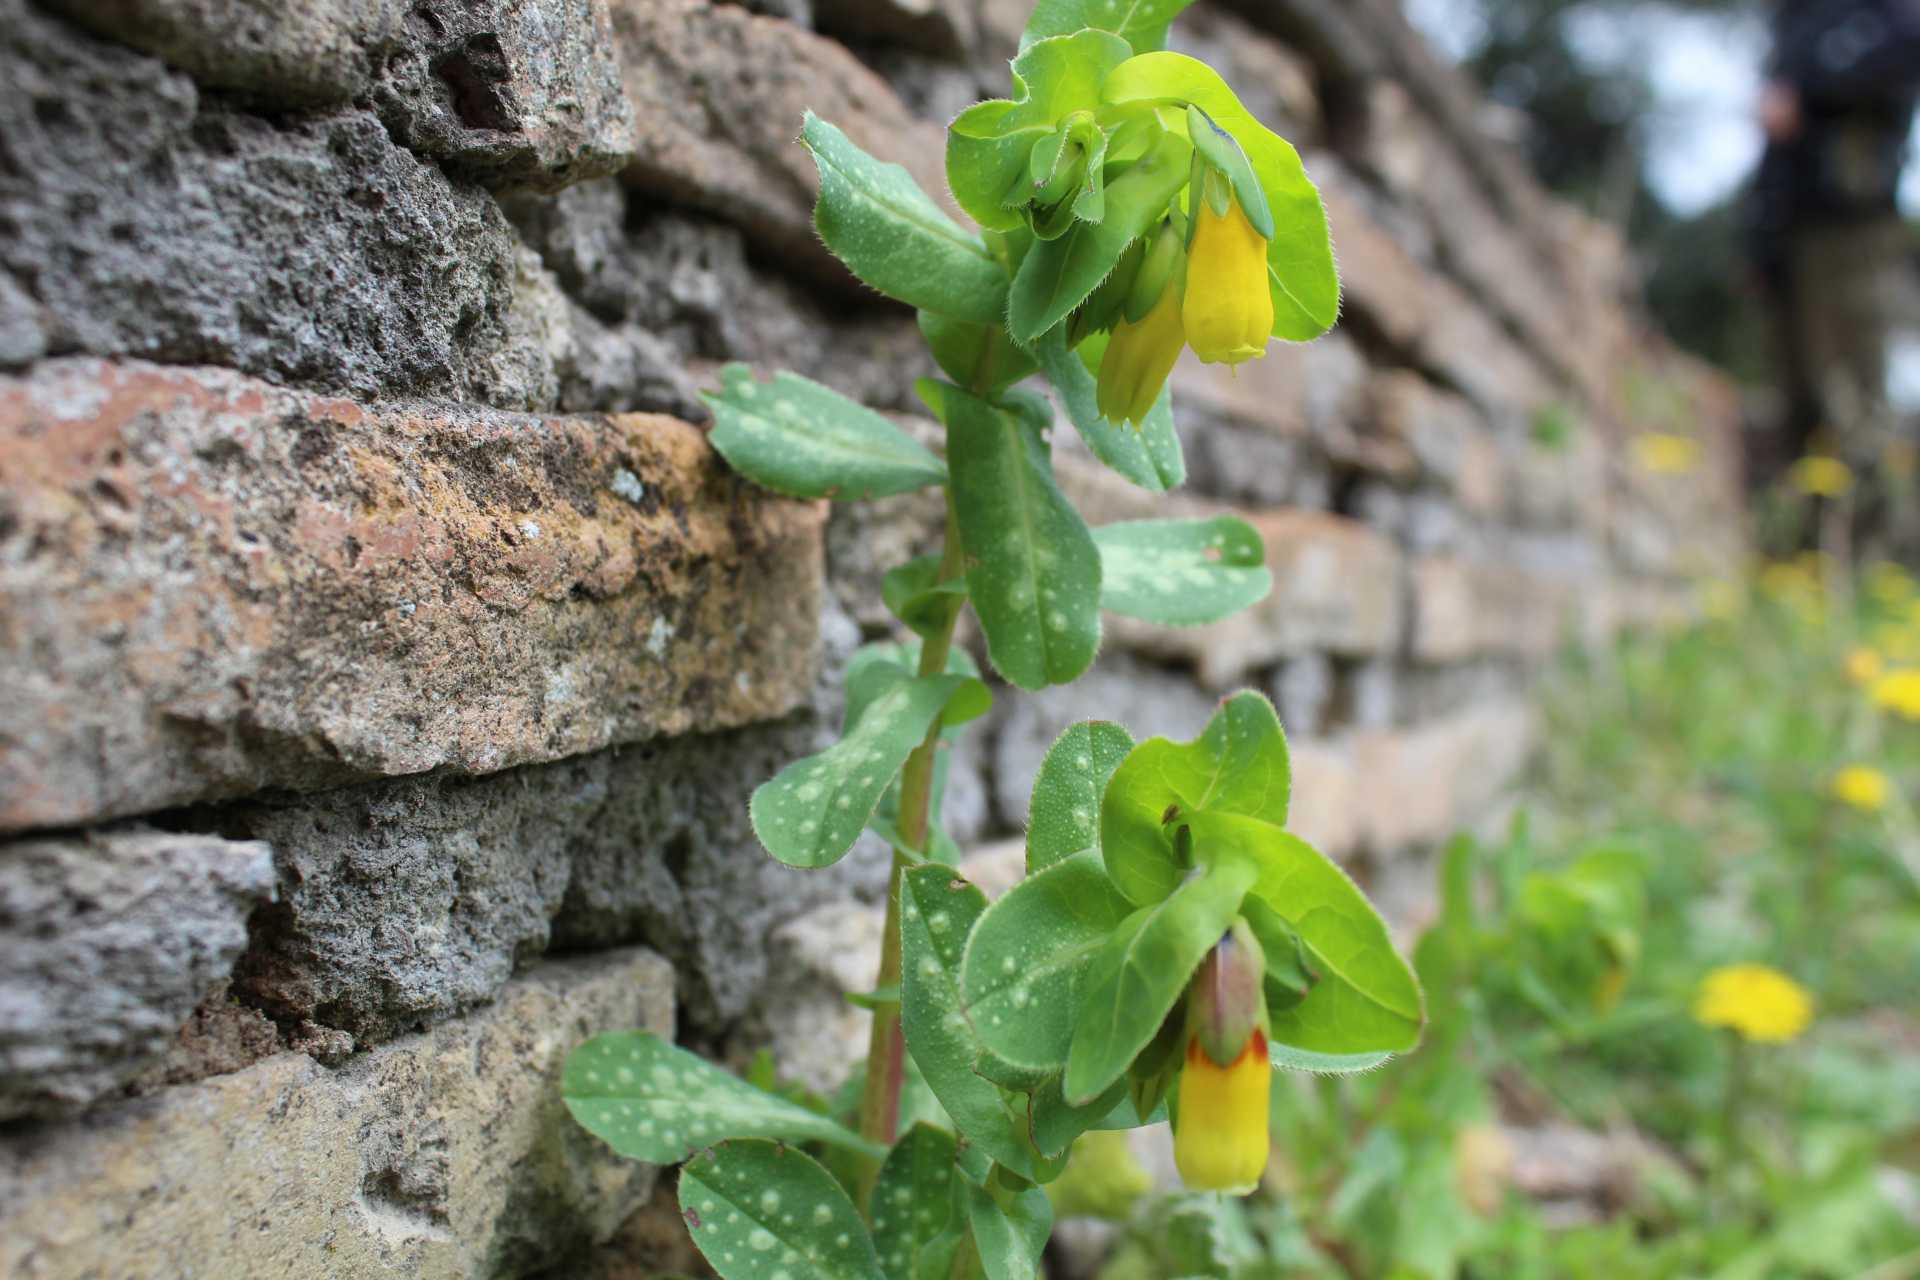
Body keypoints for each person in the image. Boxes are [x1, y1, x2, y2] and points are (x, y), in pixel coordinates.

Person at [1746, 0, 1920, 547]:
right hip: (1789, 234)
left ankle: (1873, 556)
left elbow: (1901, 56)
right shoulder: (1798, 19)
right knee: (1798, 401)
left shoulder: (1885, 13)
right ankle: (1809, 558)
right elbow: (1772, 143)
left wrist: (1811, 92)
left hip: (1854, 228)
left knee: (1854, 399)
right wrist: (1757, 241)